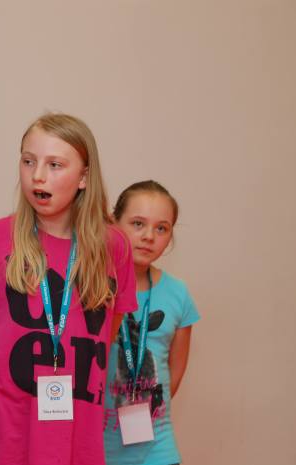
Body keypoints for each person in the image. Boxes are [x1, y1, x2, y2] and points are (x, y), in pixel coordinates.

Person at [0, 113, 137, 465]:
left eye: (55, 165)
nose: (38, 176)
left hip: (76, 440)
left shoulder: (115, 248)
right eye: (28, 161)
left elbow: (107, 337)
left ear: (84, 177)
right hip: (1, 433)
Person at [103, 180, 200, 465]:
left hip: (157, 449)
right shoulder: (91, 287)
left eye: (161, 228)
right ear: (113, 223)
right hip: (95, 448)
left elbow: (174, 374)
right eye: (137, 224)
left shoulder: (178, 294)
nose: (148, 236)